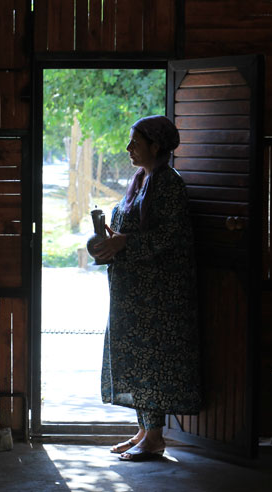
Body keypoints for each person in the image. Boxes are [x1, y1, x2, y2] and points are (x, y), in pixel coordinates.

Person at [92, 115, 201, 462]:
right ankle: (143, 430)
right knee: (135, 359)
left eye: (135, 143)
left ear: (155, 147)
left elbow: (170, 236)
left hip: (157, 296)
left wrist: (126, 244)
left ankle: (154, 438)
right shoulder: (142, 179)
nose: (128, 150)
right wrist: (112, 240)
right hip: (133, 291)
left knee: (151, 360)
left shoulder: (169, 184)